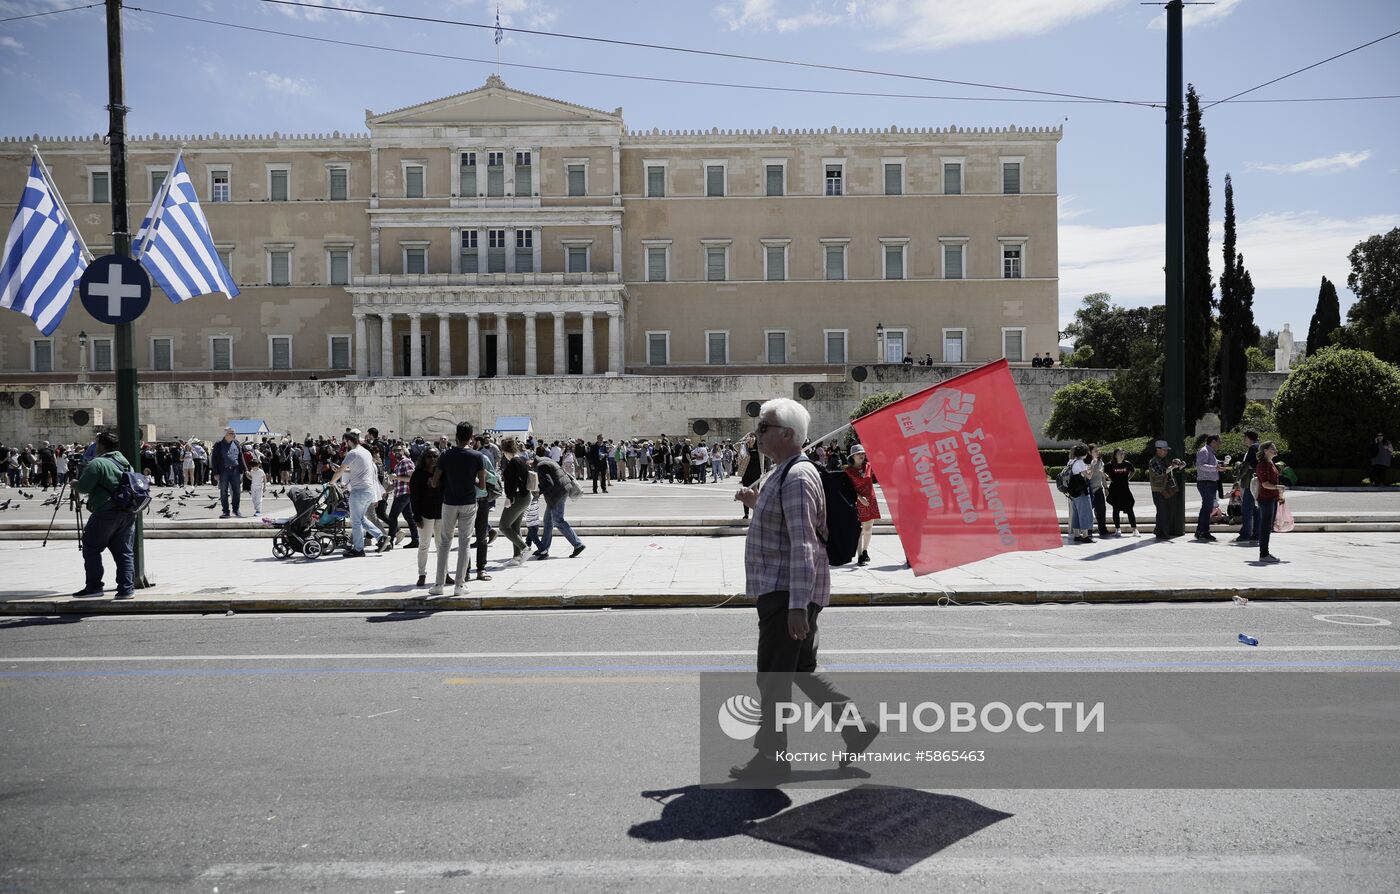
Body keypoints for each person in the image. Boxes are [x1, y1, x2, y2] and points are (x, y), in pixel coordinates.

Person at [730, 397, 874, 783]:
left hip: (787, 591)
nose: (757, 435)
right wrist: (754, 501)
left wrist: (796, 606)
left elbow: (804, 544)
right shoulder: (784, 471)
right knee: (800, 671)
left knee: (773, 677)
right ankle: (856, 726)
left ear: (788, 434)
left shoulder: (796, 476)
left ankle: (771, 759)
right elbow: (784, 521)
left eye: (764, 428)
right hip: (787, 589)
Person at [72, 431, 137, 599]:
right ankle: (126, 589)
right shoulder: (124, 462)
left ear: (101, 445)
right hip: (127, 512)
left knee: (91, 548)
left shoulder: (98, 463)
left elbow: (85, 487)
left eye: (96, 443)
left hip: (105, 512)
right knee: (124, 552)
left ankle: (94, 587)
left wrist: (75, 484)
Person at [429, 422, 486, 597]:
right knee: (464, 542)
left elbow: (434, 482)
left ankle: (439, 583)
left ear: (456, 435)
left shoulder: (446, 455)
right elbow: (482, 485)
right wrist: (471, 480)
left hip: (449, 502)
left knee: (444, 542)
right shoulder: (477, 456)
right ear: (471, 437)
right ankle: (459, 585)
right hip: (468, 501)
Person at [329, 429, 386, 558]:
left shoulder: (352, 453)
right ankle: (380, 537)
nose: (345, 445)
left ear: (349, 441)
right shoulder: (366, 452)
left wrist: (331, 482)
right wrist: (342, 470)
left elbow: (341, 470)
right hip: (368, 491)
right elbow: (358, 469)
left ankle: (359, 549)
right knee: (361, 519)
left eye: (346, 442)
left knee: (356, 521)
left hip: (359, 491)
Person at [533, 444, 585, 559]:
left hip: (558, 493)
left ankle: (577, 544)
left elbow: (548, 483)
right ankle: (544, 548)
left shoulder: (541, 466)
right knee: (547, 521)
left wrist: (537, 492)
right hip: (559, 491)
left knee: (558, 520)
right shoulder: (546, 460)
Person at [409, 447, 443, 588]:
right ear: (424, 458)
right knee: (424, 545)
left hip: (441, 512)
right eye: (429, 456)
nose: (433, 459)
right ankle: (422, 574)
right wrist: (416, 516)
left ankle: (443, 573)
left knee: (442, 545)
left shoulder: (441, 473)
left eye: (435, 456)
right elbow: (414, 497)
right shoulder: (418, 474)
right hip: (425, 513)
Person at [844, 444, 881, 565]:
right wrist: (859, 498)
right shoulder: (848, 471)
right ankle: (859, 555)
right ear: (852, 456)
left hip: (870, 500)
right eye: (859, 453)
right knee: (859, 529)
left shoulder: (869, 466)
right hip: (857, 502)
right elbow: (847, 489)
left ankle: (865, 551)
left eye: (863, 453)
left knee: (868, 528)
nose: (862, 455)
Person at [496, 437, 531, 567]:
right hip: (524, 497)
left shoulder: (514, 462)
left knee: (504, 526)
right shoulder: (521, 460)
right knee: (514, 527)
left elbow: (513, 482)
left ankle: (524, 548)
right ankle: (517, 557)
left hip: (517, 498)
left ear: (505, 451)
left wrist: (509, 498)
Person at [1254, 440, 1285, 563]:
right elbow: (1265, 484)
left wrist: (1279, 494)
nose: (1275, 449)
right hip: (1266, 499)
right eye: (1272, 448)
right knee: (1265, 527)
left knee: (1268, 526)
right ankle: (1264, 554)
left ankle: (1265, 553)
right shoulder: (1263, 465)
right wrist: (1278, 488)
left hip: (1272, 498)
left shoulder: (1270, 462)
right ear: (1265, 451)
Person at [1148, 440, 1185, 541]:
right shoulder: (1154, 461)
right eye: (1164, 450)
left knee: (1165, 512)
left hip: (1165, 489)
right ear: (1158, 450)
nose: (1166, 452)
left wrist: (1179, 466)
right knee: (1162, 512)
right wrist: (1173, 466)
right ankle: (1162, 533)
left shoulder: (1164, 460)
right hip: (1159, 490)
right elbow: (1161, 472)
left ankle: (1158, 530)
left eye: (1166, 450)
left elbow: (1170, 470)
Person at [386, 444, 419, 549]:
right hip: (401, 493)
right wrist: (385, 491)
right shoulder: (397, 465)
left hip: (405, 493)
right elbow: (397, 483)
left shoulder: (406, 462)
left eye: (399, 450)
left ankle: (390, 541)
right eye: (394, 450)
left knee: (392, 516)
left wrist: (396, 477)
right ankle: (415, 539)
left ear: (403, 450)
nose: (396, 452)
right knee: (409, 517)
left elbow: (412, 478)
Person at [210, 427, 247, 517]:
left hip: (235, 470)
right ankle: (225, 511)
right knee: (224, 492)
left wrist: (245, 470)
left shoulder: (236, 443)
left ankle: (236, 510)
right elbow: (214, 460)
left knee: (237, 491)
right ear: (226, 434)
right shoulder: (218, 445)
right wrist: (215, 473)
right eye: (232, 433)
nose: (234, 435)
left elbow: (240, 457)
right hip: (223, 471)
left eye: (234, 433)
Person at [1234, 430, 1260, 545]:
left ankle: (1245, 534)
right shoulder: (1260, 447)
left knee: (1247, 509)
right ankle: (1256, 533)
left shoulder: (1253, 448)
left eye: (1244, 437)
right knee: (1255, 509)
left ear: (1248, 437)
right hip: (1256, 482)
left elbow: (1248, 465)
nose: (1243, 439)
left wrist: (1238, 477)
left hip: (1249, 483)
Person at [1104, 448, 1138, 536]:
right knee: (1116, 509)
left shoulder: (1127, 463)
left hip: (1125, 489)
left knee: (1130, 508)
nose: (1122, 455)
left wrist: (1128, 479)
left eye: (1123, 453)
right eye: (1119, 453)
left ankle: (1134, 529)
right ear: (1115, 455)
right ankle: (1117, 529)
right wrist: (1108, 480)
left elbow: (1133, 471)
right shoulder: (1110, 465)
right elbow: (1101, 473)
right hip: (1114, 489)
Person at [1194, 435, 1222, 542]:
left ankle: (1202, 531)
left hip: (1210, 483)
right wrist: (1215, 468)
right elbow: (1201, 465)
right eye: (1219, 442)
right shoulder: (1204, 451)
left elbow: (1210, 463)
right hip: (1206, 483)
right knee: (1206, 508)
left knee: (1207, 508)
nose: (1220, 444)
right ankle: (1202, 531)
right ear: (1213, 442)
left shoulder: (1209, 452)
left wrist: (1220, 464)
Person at [1067, 443, 1094, 543]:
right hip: (1081, 491)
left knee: (1076, 513)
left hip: (1073, 491)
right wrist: (1092, 467)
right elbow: (1089, 476)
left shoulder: (1071, 461)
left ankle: (1077, 535)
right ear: (1084, 453)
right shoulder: (1080, 462)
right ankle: (1085, 536)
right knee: (1085, 512)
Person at [1086, 443, 1110, 540]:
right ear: (1089, 452)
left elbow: (1102, 476)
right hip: (1089, 490)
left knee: (1101, 510)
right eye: (1095, 451)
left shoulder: (1100, 462)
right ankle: (1088, 529)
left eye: (1098, 450)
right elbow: (1088, 475)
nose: (1098, 452)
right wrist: (1092, 465)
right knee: (1088, 511)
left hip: (1098, 489)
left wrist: (1106, 488)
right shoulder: (1087, 462)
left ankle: (1102, 529)